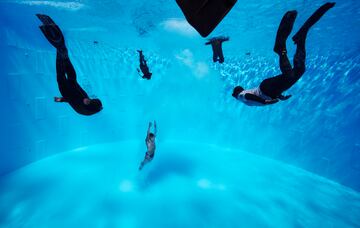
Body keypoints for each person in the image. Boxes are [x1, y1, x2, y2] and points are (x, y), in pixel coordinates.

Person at [232, 2, 335, 106]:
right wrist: (279, 96)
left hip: (266, 89)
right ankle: (301, 39)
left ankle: (280, 49)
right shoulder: (245, 96)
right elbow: (258, 95)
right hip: (269, 90)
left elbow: (248, 96)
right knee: (299, 70)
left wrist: (264, 101)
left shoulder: (241, 96)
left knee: (289, 76)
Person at [36, 14, 103, 115]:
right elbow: (92, 103)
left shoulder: (80, 106)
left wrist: (60, 100)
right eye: (89, 99)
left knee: (61, 68)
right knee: (70, 70)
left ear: (87, 105)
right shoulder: (92, 104)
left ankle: (58, 46)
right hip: (73, 83)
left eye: (87, 102)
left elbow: (69, 99)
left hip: (65, 88)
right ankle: (63, 50)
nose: (87, 99)